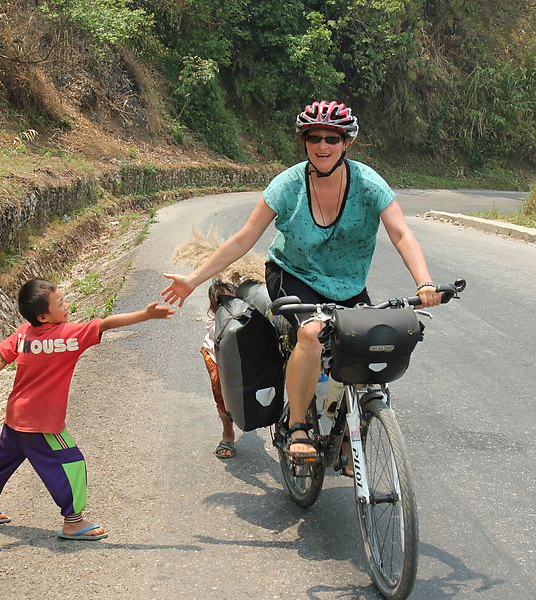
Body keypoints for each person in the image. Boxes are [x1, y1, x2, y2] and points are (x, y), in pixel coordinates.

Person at [161, 100, 441, 466]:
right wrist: (193, 279)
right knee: (310, 333)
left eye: (332, 139)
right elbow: (244, 239)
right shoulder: (288, 185)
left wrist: (424, 283)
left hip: (348, 285)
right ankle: (297, 428)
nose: (322, 146)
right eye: (314, 138)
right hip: (293, 276)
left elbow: (401, 234)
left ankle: (344, 427)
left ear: (347, 144)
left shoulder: (368, 184)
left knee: (364, 345)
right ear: (304, 141)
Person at [0, 278, 174, 540]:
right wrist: (145, 315)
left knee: (4, 460)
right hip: (42, 423)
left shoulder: (24, 334)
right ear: (43, 316)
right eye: (60, 303)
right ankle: (73, 522)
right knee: (72, 463)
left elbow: (2, 356)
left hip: (16, 416)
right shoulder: (68, 336)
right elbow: (105, 323)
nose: (66, 305)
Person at [201, 279, 238, 459]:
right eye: (222, 302)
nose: (228, 306)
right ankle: (227, 435)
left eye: (232, 301)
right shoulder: (214, 321)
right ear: (214, 306)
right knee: (221, 394)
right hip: (216, 356)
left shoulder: (246, 313)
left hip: (240, 357)